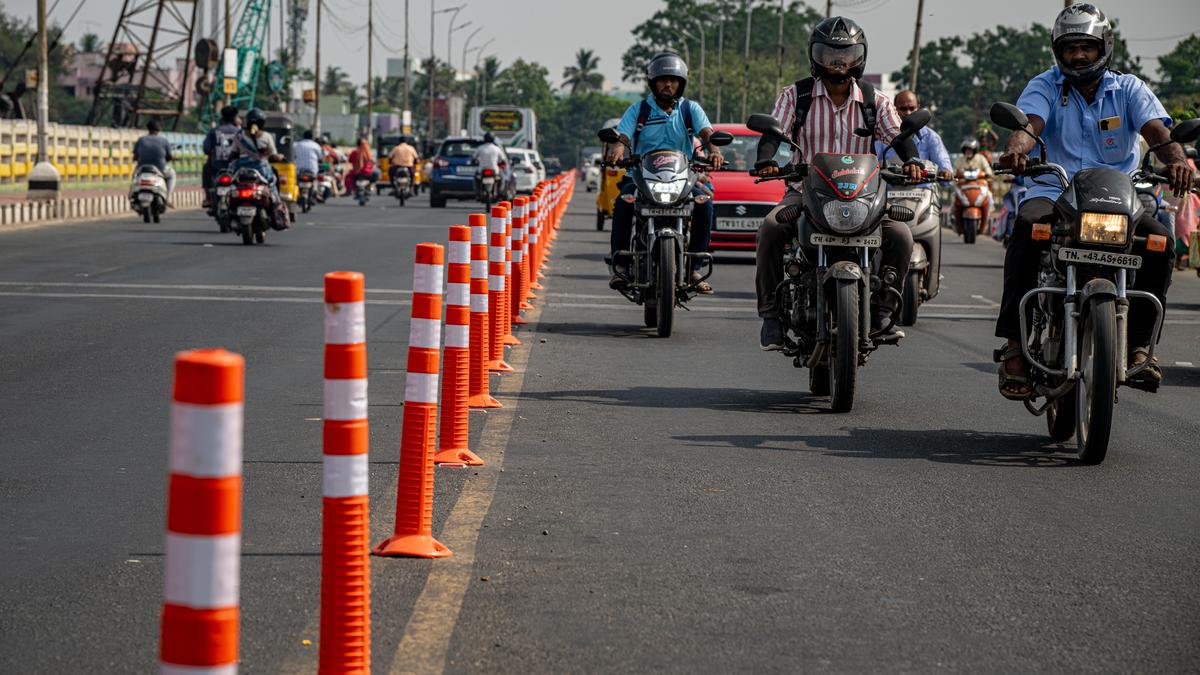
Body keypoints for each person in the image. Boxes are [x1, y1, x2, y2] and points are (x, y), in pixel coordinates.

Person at [994, 2, 1193, 398]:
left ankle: (1139, 347)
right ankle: (1014, 346)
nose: (1079, 55)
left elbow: (1158, 133)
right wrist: (1017, 149)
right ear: (1058, 51)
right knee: (1026, 227)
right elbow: (1028, 126)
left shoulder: (1129, 88)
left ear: (1105, 46)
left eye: (1086, 46)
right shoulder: (1046, 85)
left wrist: (1178, 161)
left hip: (1120, 196)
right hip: (1056, 190)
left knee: (1161, 242)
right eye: (1070, 48)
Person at [754, 17, 922, 350]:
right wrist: (767, 160)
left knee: (902, 235)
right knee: (770, 230)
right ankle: (771, 317)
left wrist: (913, 161)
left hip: (863, 199)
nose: (837, 61)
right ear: (815, 56)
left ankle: (884, 311)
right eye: (829, 53)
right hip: (805, 194)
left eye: (845, 54)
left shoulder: (876, 101)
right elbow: (775, 132)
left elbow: (898, 136)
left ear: (859, 57)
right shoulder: (796, 96)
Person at [605, 51, 725, 293]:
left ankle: (694, 267)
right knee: (623, 203)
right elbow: (623, 135)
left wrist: (714, 150)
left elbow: (707, 134)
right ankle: (621, 266)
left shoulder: (690, 109)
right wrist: (618, 149)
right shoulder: (639, 110)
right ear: (653, 83)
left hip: (682, 179)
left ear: (681, 84)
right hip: (640, 178)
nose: (668, 84)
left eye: (673, 80)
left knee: (705, 202)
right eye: (662, 80)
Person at [229, 108, 289, 230]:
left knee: (233, 186)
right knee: (272, 184)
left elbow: (233, 154)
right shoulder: (266, 136)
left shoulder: (239, 136)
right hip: (262, 171)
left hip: (241, 171)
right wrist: (280, 157)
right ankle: (277, 209)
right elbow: (273, 155)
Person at [876, 89, 953, 182]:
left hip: (924, 191)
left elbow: (942, 160)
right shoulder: (885, 135)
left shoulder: (931, 137)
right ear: (894, 109)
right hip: (889, 191)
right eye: (903, 109)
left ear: (918, 108)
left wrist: (945, 171)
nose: (908, 113)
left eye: (912, 108)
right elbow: (873, 162)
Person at [202, 105, 240, 206]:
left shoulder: (213, 131)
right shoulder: (239, 132)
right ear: (234, 118)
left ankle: (208, 198)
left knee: (206, 169)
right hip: (235, 168)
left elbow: (206, 149)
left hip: (216, 168)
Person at [132, 119, 175, 207]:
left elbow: (135, 156)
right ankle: (167, 198)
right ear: (159, 130)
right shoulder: (164, 141)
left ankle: (133, 194)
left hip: (142, 168)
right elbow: (169, 156)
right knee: (172, 174)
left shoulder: (141, 140)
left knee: (134, 176)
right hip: (160, 169)